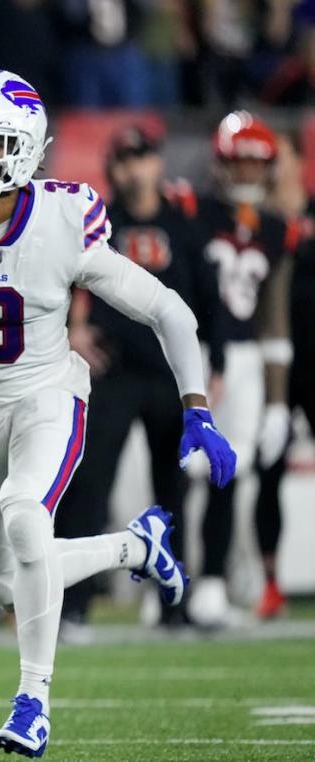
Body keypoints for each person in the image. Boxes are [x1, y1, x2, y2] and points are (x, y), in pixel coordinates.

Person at [0, 69, 236, 758]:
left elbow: (166, 309)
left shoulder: (63, 219)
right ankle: (134, 548)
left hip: (46, 396)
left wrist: (197, 406)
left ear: (23, 147)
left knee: (25, 511)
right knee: (4, 584)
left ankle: (33, 702)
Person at [58, 124, 221, 633]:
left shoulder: (183, 223)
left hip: (168, 376)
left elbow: (206, 303)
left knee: (172, 491)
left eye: (142, 157)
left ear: (157, 161)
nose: (135, 169)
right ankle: (75, 606)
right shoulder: (98, 219)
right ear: (115, 166)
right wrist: (71, 330)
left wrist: (204, 376)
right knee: (89, 484)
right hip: (114, 371)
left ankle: (173, 605)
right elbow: (54, 277)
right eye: (125, 159)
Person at [175, 112, 297, 628]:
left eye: (256, 162)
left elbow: (274, 317)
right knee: (179, 472)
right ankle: (171, 578)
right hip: (193, 348)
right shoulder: (190, 210)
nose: (247, 172)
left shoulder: (277, 230)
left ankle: (212, 584)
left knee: (228, 472)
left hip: (244, 356)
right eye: (238, 160)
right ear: (221, 162)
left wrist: (276, 402)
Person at [253, 132, 312, 620]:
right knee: (267, 469)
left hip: (313, 355)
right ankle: (269, 579)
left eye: (280, 154)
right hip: (272, 364)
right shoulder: (253, 223)